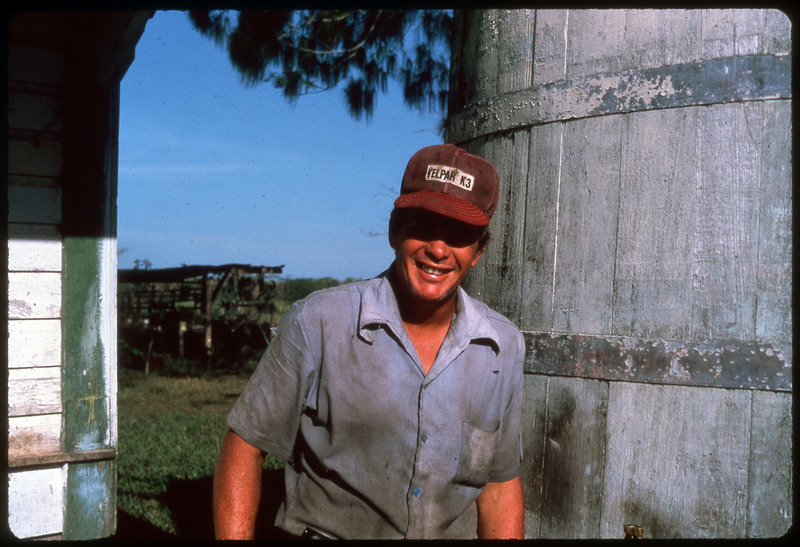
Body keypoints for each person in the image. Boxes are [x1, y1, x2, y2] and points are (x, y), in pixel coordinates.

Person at [213, 144, 526, 539]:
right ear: (395, 230)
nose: (439, 250)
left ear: (479, 250)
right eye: (423, 227)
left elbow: (498, 489)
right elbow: (245, 445)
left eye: (460, 235)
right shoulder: (319, 322)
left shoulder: (504, 347)